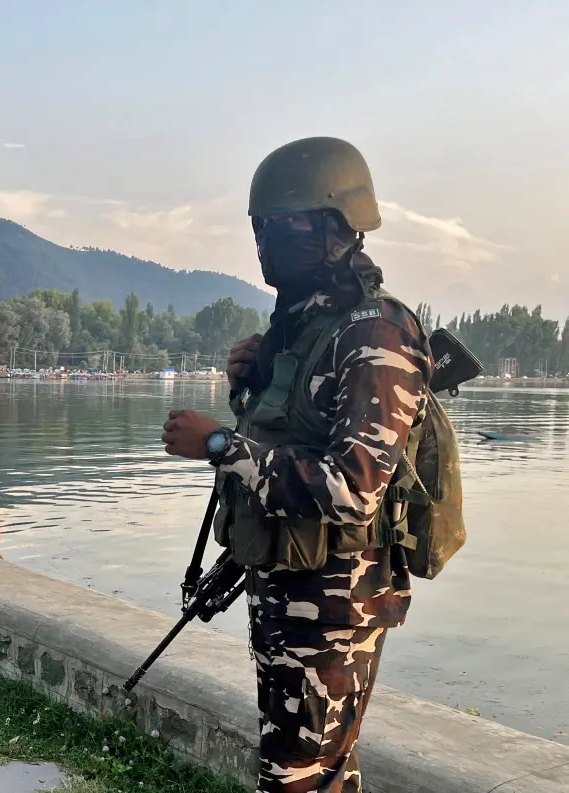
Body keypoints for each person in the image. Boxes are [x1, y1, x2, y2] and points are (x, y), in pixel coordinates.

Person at [160, 137, 432, 793]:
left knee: (296, 780)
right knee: (321, 777)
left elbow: (353, 488)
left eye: (279, 227)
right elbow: (295, 438)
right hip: (291, 590)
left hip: (335, 606)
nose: (264, 244)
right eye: (258, 229)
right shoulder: (304, 328)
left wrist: (222, 445)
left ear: (335, 225)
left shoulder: (376, 332)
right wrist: (250, 386)